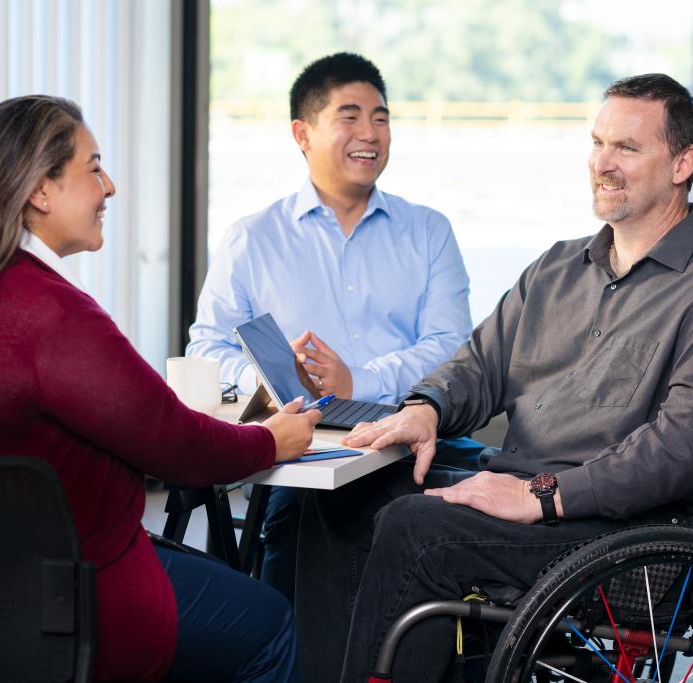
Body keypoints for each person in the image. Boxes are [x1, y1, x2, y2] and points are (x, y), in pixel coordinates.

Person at [294, 73, 693, 682]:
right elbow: (481, 364)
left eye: (627, 148)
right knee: (344, 499)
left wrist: (541, 496)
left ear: (684, 162)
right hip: (523, 493)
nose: (603, 163)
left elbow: (686, 447)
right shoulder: (556, 268)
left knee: (418, 531)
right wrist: (428, 408)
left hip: (618, 533)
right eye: (598, 143)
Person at [0, 95, 320, 683]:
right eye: (93, 166)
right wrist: (269, 441)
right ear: (40, 191)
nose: (110, 186)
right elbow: (177, 447)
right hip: (55, 599)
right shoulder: (50, 314)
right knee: (267, 622)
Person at [187, 52, 478, 601]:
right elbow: (208, 346)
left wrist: (356, 383)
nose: (370, 133)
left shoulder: (428, 232)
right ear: (303, 133)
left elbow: (453, 349)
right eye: (349, 116)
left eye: (381, 117)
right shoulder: (253, 239)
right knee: (299, 519)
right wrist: (274, 382)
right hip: (305, 444)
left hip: (409, 432)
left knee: (444, 509)